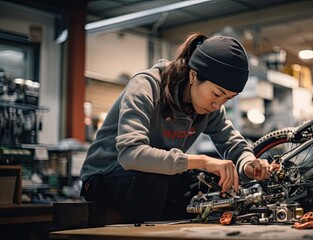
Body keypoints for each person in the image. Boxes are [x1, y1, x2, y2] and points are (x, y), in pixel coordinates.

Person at [79, 33, 273, 223]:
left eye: (227, 99)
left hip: (151, 180)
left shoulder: (209, 108)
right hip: (104, 178)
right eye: (216, 94)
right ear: (193, 75)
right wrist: (204, 161)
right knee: (157, 176)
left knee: (205, 183)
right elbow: (130, 154)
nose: (217, 105)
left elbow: (233, 143)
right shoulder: (146, 86)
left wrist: (249, 164)